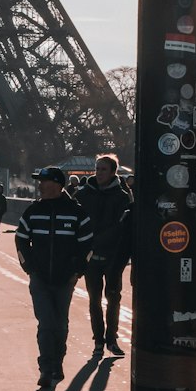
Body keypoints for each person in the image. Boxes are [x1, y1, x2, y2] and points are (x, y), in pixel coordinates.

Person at [16, 166, 93, 389]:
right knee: (47, 323)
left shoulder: (77, 213)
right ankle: (47, 368)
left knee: (60, 325)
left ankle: (57, 363)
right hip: (40, 278)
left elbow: (87, 245)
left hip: (65, 279)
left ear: (57, 184)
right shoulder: (32, 211)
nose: (39, 185)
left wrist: (78, 271)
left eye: (43, 181)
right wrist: (28, 267)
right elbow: (21, 240)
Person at [75, 153, 133, 357]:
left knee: (113, 298)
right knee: (94, 300)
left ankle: (111, 339)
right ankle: (99, 340)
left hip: (113, 256)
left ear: (113, 172)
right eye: (97, 168)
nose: (98, 173)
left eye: (103, 169)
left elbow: (123, 228)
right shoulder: (83, 195)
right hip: (93, 255)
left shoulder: (122, 197)